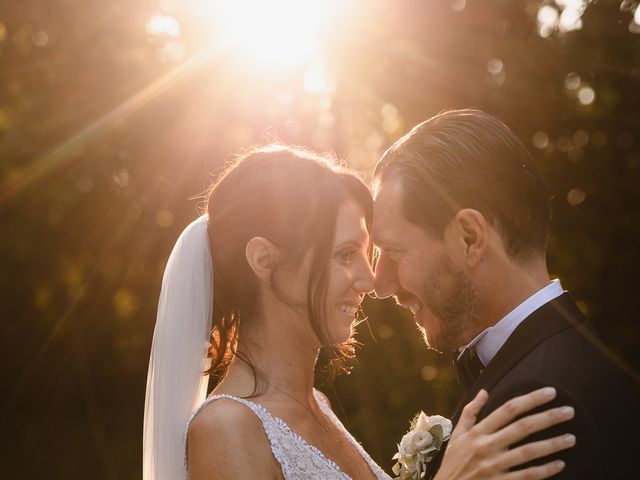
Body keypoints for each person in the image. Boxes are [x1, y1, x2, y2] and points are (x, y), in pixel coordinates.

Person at [143, 145, 575, 480]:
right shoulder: (225, 429)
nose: (370, 281)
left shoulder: (318, 406)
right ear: (265, 260)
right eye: (346, 254)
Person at [371, 109, 640, 479]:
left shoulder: (535, 407)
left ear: (470, 237)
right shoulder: (567, 359)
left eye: (394, 252)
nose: (381, 285)